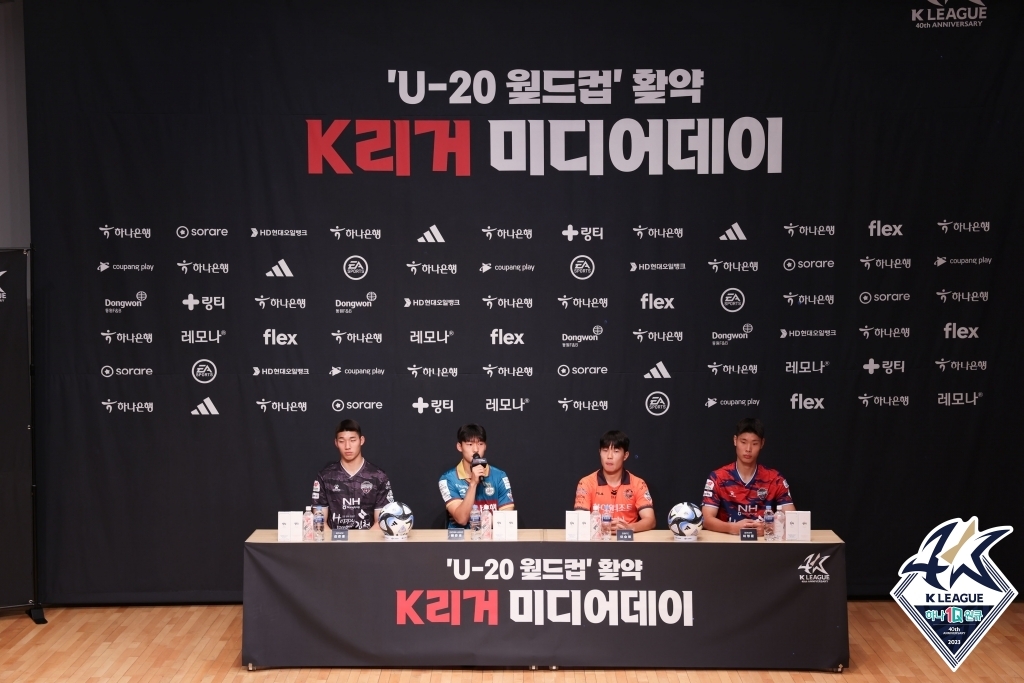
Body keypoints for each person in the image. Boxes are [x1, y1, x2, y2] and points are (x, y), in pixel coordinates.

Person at [701, 418, 795, 535]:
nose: (748, 449)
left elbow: (792, 520)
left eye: (754, 443)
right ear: (735, 440)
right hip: (727, 544)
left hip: (764, 545)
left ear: (762, 443)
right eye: (743, 442)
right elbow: (706, 519)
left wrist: (769, 528)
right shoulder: (718, 477)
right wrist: (732, 528)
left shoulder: (775, 479)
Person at [312, 419, 394, 529]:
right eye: (342, 441)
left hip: (368, 544)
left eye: (352, 440)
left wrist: (364, 543)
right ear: (336, 443)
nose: (347, 446)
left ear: (361, 440)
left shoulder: (378, 476)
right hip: (335, 543)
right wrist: (332, 544)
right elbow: (319, 522)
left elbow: (380, 523)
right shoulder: (325, 476)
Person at [573, 430, 655, 532]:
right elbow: (579, 519)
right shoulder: (586, 483)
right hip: (597, 542)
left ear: (625, 455)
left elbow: (650, 520)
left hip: (628, 542)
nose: (609, 456)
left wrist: (629, 528)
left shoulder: (638, 484)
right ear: (599, 452)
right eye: (605, 450)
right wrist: (600, 526)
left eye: (616, 451)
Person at [438, 424, 514, 528]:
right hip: (460, 542)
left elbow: (507, 517)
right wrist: (473, 483)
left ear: (485, 446)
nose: (476, 449)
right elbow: (462, 519)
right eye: (470, 444)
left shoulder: (499, 476)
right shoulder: (447, 479)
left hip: (491, 540)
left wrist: (485, 525)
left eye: (480, 444)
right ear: (459, 446)